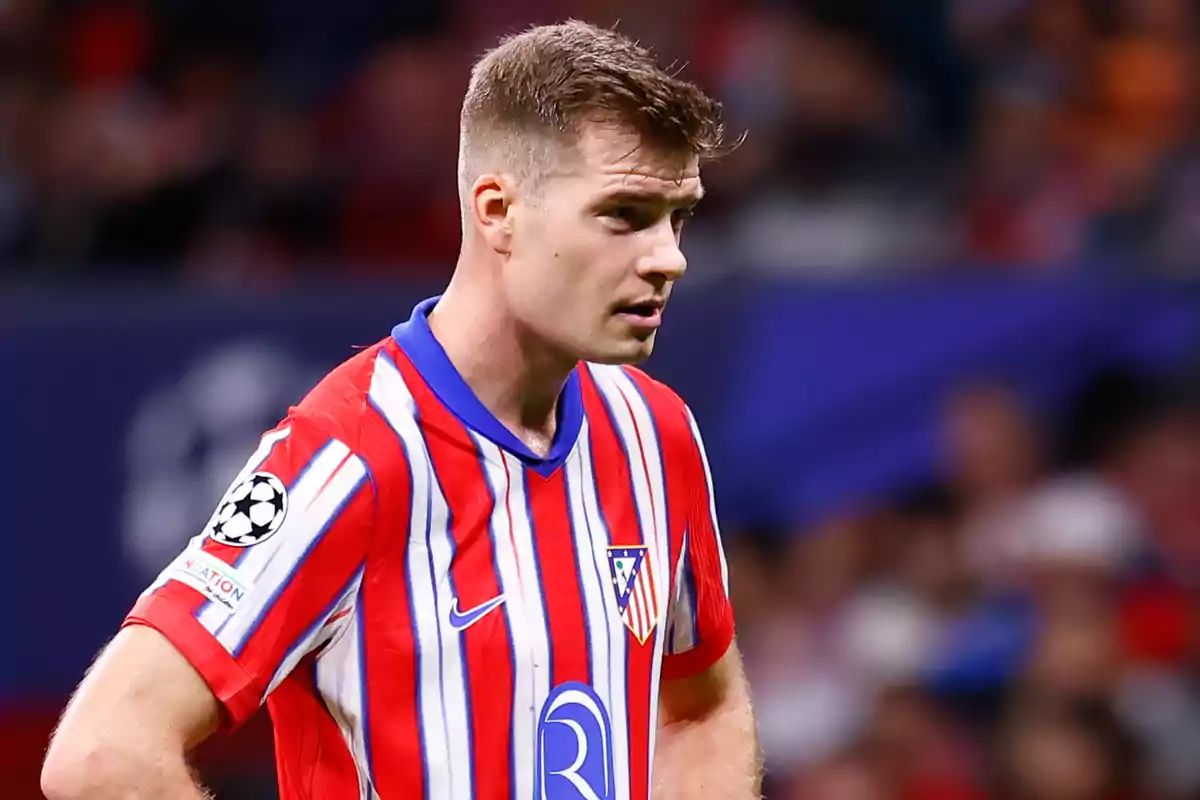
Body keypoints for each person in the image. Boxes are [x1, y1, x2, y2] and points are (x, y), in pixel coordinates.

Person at [42, 19, 761, 800]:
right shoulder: (348, 455)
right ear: (496, 212)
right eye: (623, 215)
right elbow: (101, 753)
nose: (669, 258)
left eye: (676, 216)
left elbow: (701, 704)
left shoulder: (655, 435)